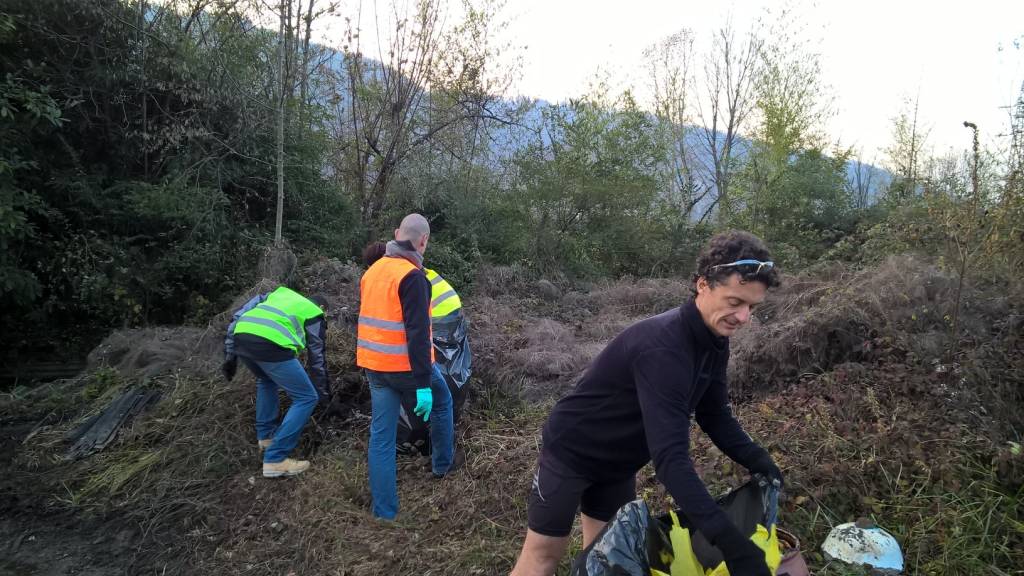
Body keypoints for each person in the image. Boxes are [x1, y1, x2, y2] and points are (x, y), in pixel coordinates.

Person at [510, 231, 784, 576]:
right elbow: (670, 460)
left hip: (619, 464)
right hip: (573, 451)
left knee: (607, 559)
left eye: (752, 308)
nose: (743, 317)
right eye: (734, 302)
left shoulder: (714, 339)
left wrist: (759, 460)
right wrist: (730, 544)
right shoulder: (664, 349)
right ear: (703, 284)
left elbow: (715, 415)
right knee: (543, 556)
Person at [356, 214, 457, 520]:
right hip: (407, 369)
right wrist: (424, 384)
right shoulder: (413, 277)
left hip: (374, 367)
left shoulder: (372, 273)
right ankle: (442, 467)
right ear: (423, 241)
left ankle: (384, 512)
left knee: (381, 437)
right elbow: (417, 334)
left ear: (397, 233)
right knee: (442, 404)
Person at [363, 240, 474, 454]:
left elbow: (415, 334)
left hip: (441, 319)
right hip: (450, 315)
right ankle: (435, 444)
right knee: (446, 381)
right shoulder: (407, 267)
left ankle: (422, 440)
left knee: (429, 385)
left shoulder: (399, 277)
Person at [222, 286, 331, 478]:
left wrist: (230, 356)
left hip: (242, 337)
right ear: (322, 307)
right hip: (269, 345)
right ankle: (275, 458)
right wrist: (322, 394)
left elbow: (237, 317)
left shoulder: (278, 294)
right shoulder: (315, 313)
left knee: (266, 381)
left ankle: (266, 439)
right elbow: (317, 358)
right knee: (306, 397)